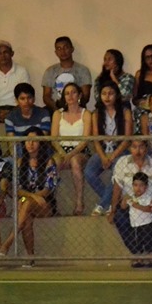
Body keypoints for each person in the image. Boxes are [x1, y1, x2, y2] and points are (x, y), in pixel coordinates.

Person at [0, 128, 59, 265]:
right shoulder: (20, 162)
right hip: (28, 201)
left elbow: (49, 189)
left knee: (27, 204)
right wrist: (32, 196)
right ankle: (30, 256)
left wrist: (33, 197)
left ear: (40, 143)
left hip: (45, 204)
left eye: (34, 141)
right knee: (27, 216)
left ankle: (7, 243)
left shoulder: (49, 162)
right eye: (27, 140)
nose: (30, 144)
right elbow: (16, 189)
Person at [109, 139, 152, 263]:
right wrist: (112, 209)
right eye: (134, 147)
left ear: (146, 148)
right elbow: (117, 187)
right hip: (131, 201)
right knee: (119, 217)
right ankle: (137, 253)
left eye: (141, 147)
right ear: (129, 148)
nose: (138, 151)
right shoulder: (122, 163)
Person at [86, 81, 133, 216]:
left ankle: (102, 204)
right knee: (89, 172)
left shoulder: (125, 111)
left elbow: (127, 138)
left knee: (116, 173)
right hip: (102, 150)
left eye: (111, 93)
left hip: (120, 150)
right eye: (104, 94)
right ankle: (111, 201)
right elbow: (96, 139)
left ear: (116, 95)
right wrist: (103, 157)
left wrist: (112, 157)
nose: (107, 97)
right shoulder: (96, 114)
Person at [50, 82, 91, 215]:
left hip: (80, 151)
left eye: (73, 92)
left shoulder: (86, 113)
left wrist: (71, 154)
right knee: (51, 163)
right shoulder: (58, 114)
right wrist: (62, 153)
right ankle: (51, 202)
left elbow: (85, 140)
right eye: (67, 93)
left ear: (79, 95)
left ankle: (79, 202)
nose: (70, 96)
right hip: (61, 150)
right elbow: (54, 138)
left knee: (74, 161)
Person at [0, 40, 30, 123]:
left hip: (16, 108)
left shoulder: (21, 71)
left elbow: (25, 96)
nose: (3, 56)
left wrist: (10, 114)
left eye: (6, 52)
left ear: (12, 53)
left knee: (29, 109)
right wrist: (0, 112)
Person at [42, 36, 92, 112]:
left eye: (66, 47)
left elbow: (85, 96)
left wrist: (72, 110)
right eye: (59, 48)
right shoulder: (50, 71)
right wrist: (58, 110)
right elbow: (46, 96)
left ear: (72, 49)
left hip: (77, 109)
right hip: (55, 109)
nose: (62, 51)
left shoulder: (83, 70)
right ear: (56, 52)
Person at [118, 172, 152, 267]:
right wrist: (125, 199)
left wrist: (135, 205)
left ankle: (150, 259)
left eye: (141, 185)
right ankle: (138, 259)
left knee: (148, 243)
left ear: (146, 187)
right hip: (135, 225)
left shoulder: (147, 197)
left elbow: (148, 209)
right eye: (135, 185)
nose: (138, 188)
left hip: (146, 224)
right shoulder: (131, 197)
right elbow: (123, 207)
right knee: (137, 243)